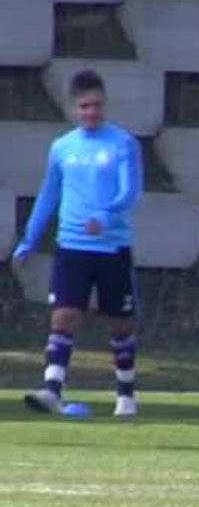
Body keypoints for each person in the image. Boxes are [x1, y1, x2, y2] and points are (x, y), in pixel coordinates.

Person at [16, 70, 144, 417]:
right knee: (63, 316)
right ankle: (52, 390)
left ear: (105, 104)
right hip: (71, 246)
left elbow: (130, 192)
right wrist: (29, 239)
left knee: (120, 323)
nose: (91, 112)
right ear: (74, 108)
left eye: (97, 105)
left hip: (112, 248)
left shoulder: (122, 143)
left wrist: (105, 215)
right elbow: (49, 194)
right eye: (85, 106)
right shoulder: (62, 147)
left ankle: (126, 396)